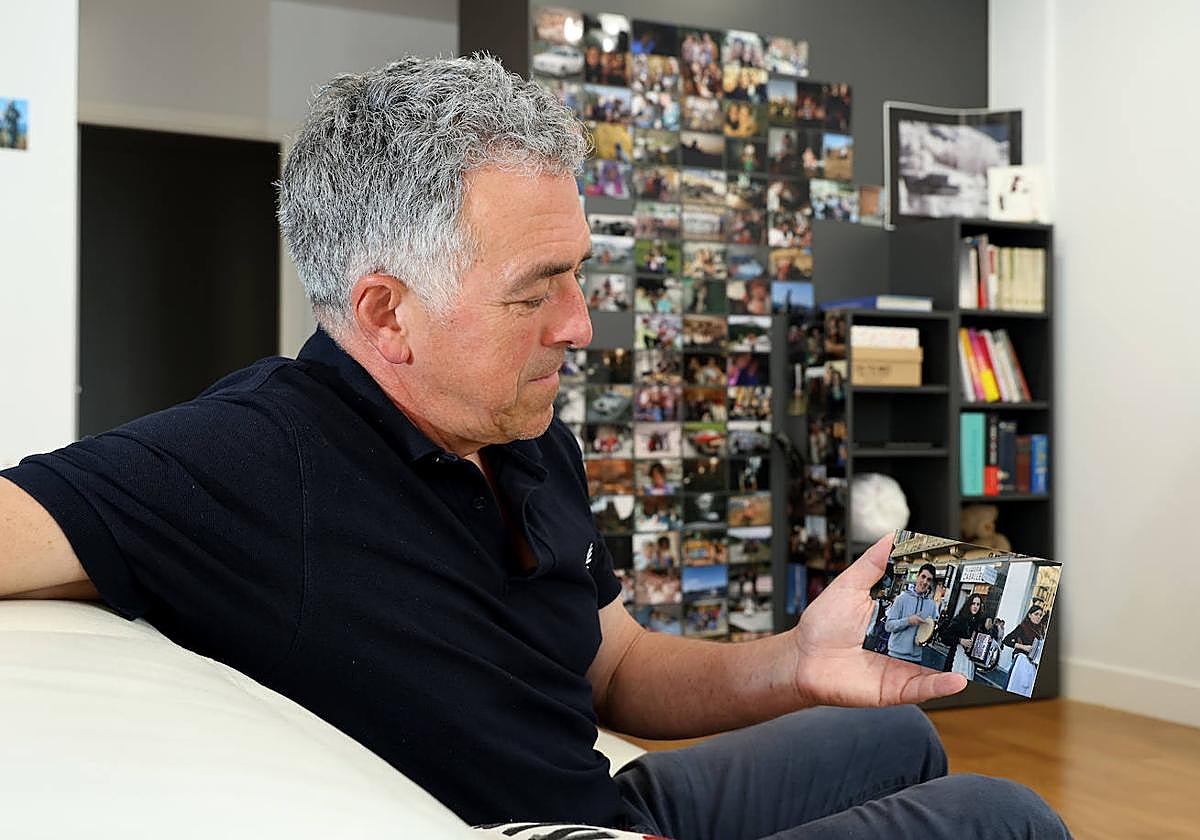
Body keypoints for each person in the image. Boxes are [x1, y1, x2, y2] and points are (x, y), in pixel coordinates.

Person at [0, 56, 1068, 839]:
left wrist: (801, 658)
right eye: (535, 291)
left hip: (605, 794)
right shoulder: (253, 455)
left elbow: (622, 666)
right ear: (386, 313)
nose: (580, 325)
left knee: (898, 736)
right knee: (1004, 814)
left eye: (577, 273)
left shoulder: (519, 425)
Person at [883, 563, 941, 664]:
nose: (924, 582)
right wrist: (908, 621)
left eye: (929, 579)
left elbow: (932, 631)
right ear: (917, 576)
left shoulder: (931, 605)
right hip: (895, 656)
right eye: (923, 577)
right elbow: (888, 626)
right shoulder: (901, 599)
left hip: (916, 659)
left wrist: (925, 641)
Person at [1003, 604, 1048, 697]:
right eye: (1036, 614)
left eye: (1040, 615)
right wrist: (1023, 647)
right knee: (1015, 687)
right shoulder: (1022, 627)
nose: (1038, 617)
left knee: (1026, 691)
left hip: (1032, 665)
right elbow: (1006, 640)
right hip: (1021, 662)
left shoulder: (1040, 631)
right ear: (1029, 615)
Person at [940, 592, 987, 679]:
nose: (975, 606)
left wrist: (986, 641)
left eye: (978, 604)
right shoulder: (959, 619)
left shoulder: (979, 623)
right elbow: (945, 637)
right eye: (973, 603)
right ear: (968, 604)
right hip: (957, 657)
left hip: (970, 661)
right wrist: (960, 640)